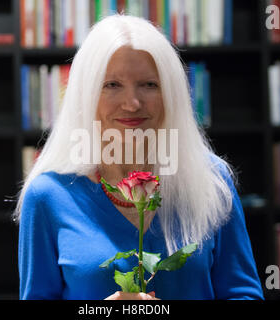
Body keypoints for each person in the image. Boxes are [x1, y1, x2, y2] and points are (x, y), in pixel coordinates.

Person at [14, 14, 264, 300]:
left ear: (171, 94)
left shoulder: (211, 180)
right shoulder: (48, 196)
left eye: (149, 85)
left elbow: (243, 295)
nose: (132, 103)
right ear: (85, 95)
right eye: (112, 85)